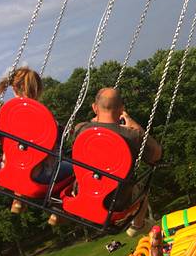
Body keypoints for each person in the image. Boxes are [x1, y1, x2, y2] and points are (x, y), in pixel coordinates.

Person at [57, 88, 162, 235]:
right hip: (117, 202)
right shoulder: (132, 136)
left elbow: (87, 131)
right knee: (142, 189)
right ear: (122, 109)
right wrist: (136, 126)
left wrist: (94, 123)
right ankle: (138, 225)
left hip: (82, 193)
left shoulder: (81, 129)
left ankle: (59, 210)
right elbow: (156, 155)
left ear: (95, 108)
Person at [0, 67, 73, 214]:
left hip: (7, 169)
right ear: (39, 89)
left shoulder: (6, 113)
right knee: (73, 169)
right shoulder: (46, 118)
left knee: (21, 157)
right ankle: (57, 209)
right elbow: (55, 145)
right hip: (37, 177)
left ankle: (18, 199)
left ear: (14, 89)